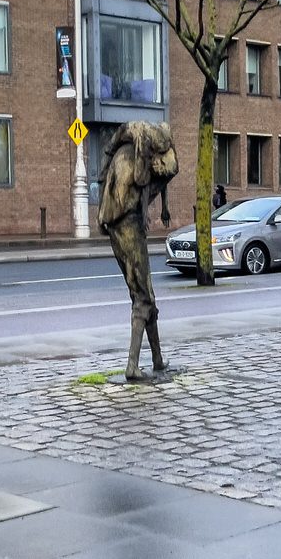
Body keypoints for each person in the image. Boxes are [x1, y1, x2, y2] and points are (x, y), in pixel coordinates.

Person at [98, 122, 179, 379]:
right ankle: (132, 366)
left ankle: (156, 359)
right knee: (143, 297)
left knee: (145, 293)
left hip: (113, 224)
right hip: (128, 226)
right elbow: (146, 181)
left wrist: (163, 205)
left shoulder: (120, 151)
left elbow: (147, 183)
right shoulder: (140, 157)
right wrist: (149, 211)